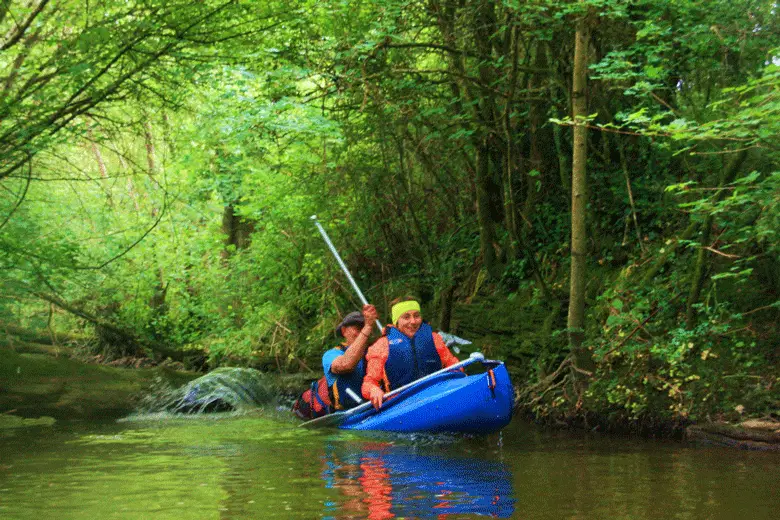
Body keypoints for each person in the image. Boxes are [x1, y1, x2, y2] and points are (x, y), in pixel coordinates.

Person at [361, 297, 460, 410]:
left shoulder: (434, 339)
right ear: (396, 321)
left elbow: (455, 365)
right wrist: (373, 390)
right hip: (402, 405)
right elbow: (368, 383)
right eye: (406, 317)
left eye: (416, 316)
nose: (413, 321)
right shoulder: (381, 346)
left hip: (436, 396)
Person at [322, 303, 378, 410]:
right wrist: (367, 327)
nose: (362, 332)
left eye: (364, 327)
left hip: (376, 407)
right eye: (358, 328)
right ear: (344, 331)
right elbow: (346, 364)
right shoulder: (330, 355)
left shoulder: (375, 350)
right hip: (349, 413)